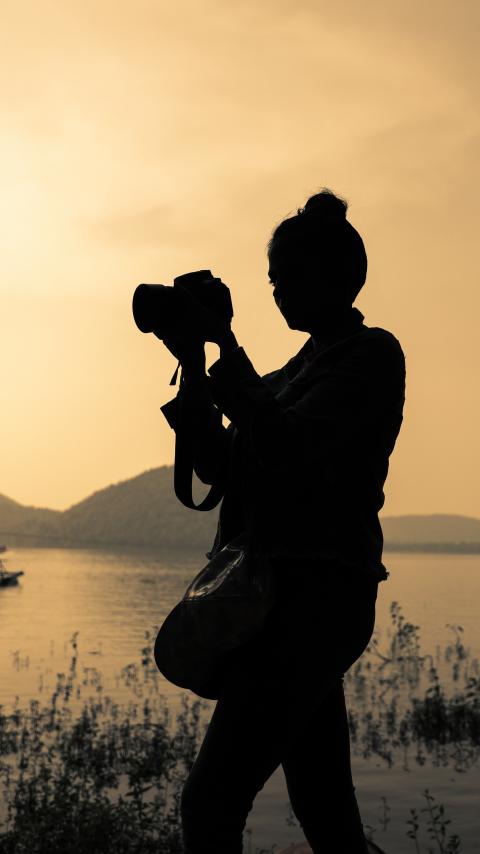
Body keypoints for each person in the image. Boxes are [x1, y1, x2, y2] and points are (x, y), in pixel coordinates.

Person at [158, 188, 406, 853]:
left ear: (335, 276)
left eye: (287, 277)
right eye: (271, 280)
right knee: (325, 809)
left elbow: (291, 444)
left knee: (210, 801)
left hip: (314, 603)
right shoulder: (290, 369)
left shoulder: (371, 356)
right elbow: (223, 467)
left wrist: (227, 345)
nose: (275, 291)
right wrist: (191, 358)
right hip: (282, 605)